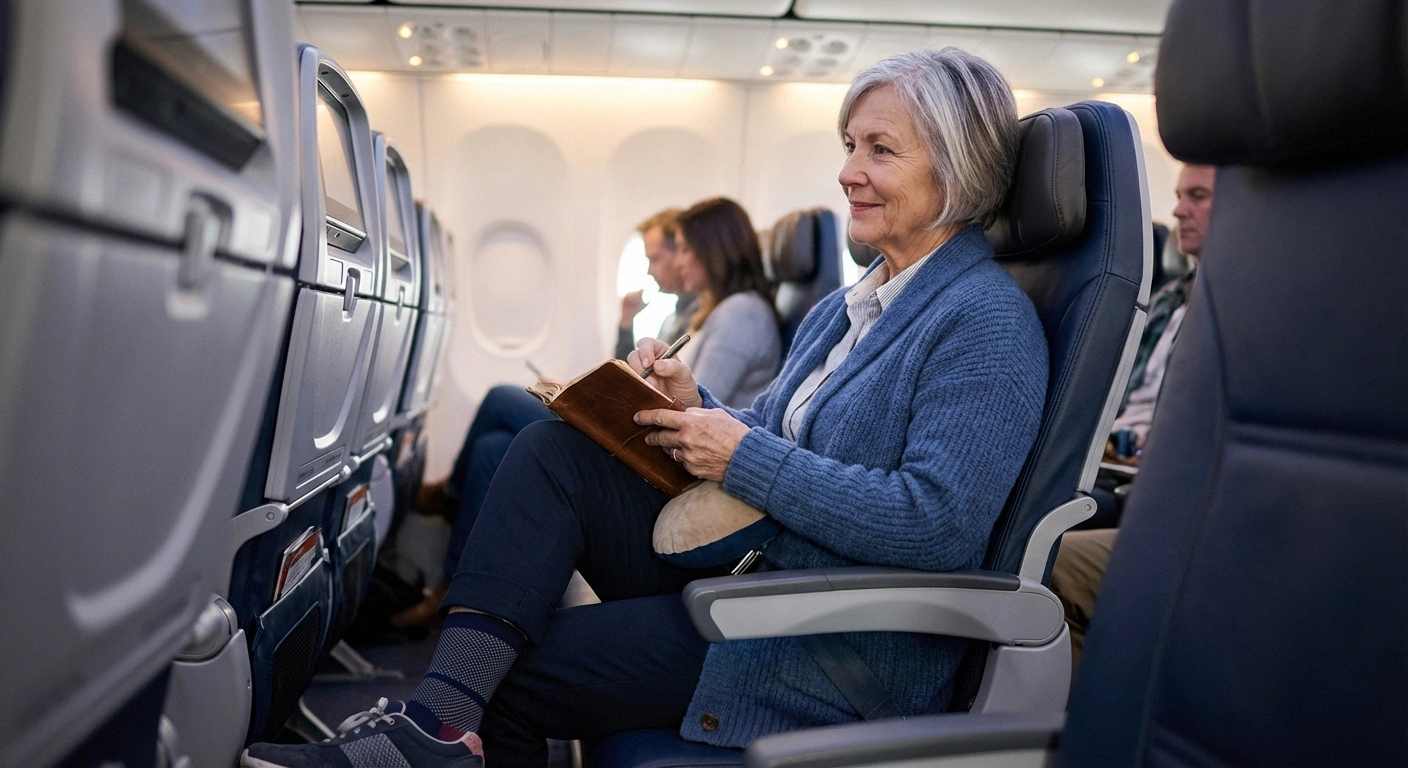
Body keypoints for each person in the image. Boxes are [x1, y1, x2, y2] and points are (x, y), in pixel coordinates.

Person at [242, 47, 1048, 768]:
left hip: (827, 635)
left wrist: (742, 455)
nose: (847, 171)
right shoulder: (846, 306)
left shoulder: (984, 320)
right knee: (553, 453)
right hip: (761, 570)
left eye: (880, 150)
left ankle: (441, 727)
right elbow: (773, 434)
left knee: (515, 680)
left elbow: (938, 522)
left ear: (957, 168)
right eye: (848, 146)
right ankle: (439, 728)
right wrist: (698, 405)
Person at [1050, 163, 1217, 670]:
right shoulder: (1168, 299)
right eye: (1178, 195)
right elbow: (1119, 394)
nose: (1177, 209)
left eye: (1198, 196)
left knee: (1041, 550)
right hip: (1109, 458)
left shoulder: (1246, 311)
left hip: (1146, 481)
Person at [669, 196, 782, 409]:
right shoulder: (713, 307)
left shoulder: (742, 313)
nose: (678, 263)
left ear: (712, 251)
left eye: (684, 249)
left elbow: (695, 405)